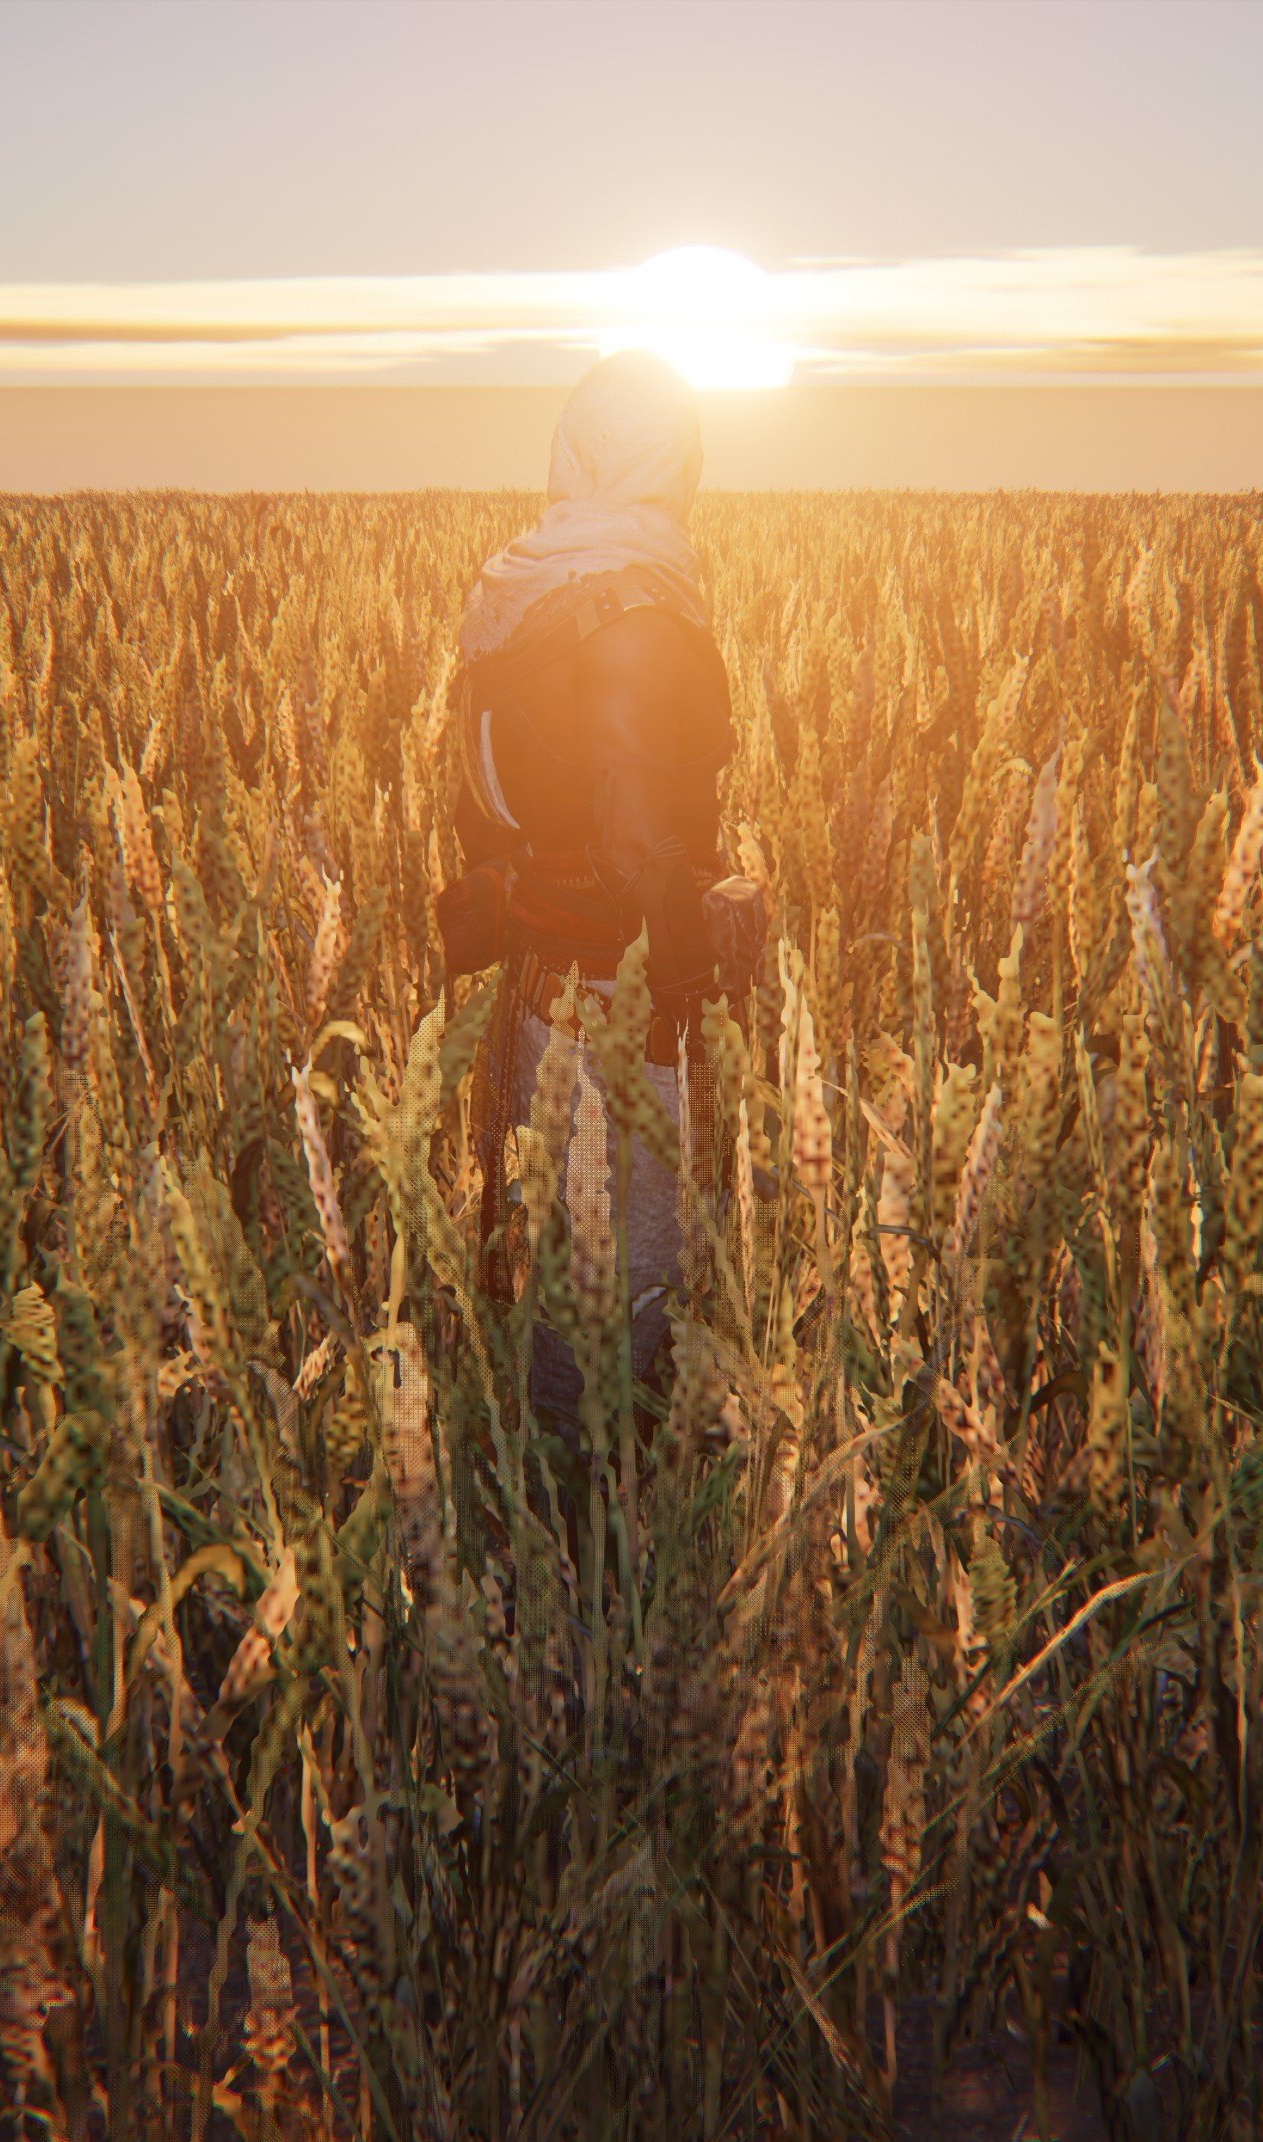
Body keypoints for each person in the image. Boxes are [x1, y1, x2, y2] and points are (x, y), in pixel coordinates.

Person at [431, 349, 757, 1428]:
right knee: (634, 1284)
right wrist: (738, 907)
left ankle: (549, 1504)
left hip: (530, 993)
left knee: (562, 1270)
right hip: (623, 1015)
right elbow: (647, 879)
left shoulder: (513, 593)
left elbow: (483, 817)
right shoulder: (647, 621)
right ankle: (598, 1525)